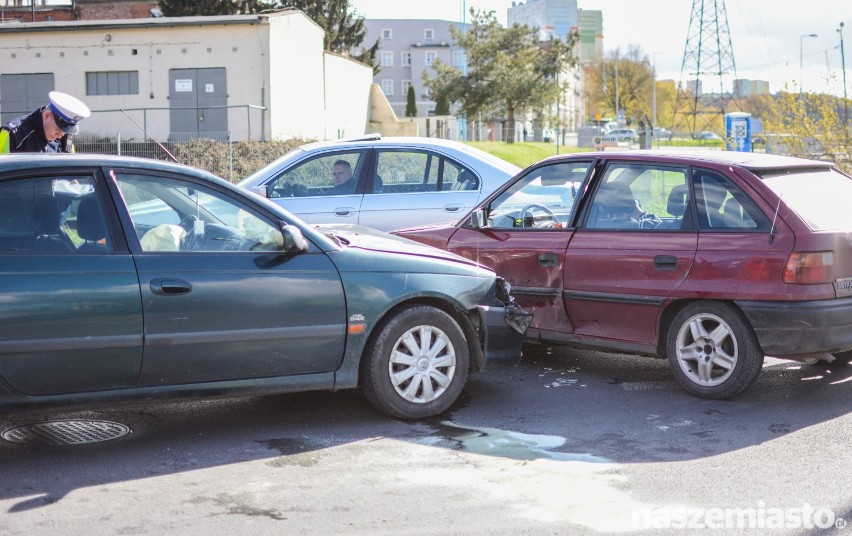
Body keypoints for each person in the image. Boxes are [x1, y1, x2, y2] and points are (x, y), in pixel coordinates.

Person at [0, 91, 90, 154]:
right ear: (47, 115)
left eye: (64, 132)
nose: (60, 136)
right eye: (58, 129)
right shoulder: (12, 134)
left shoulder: (65, 138)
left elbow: (71, 171)